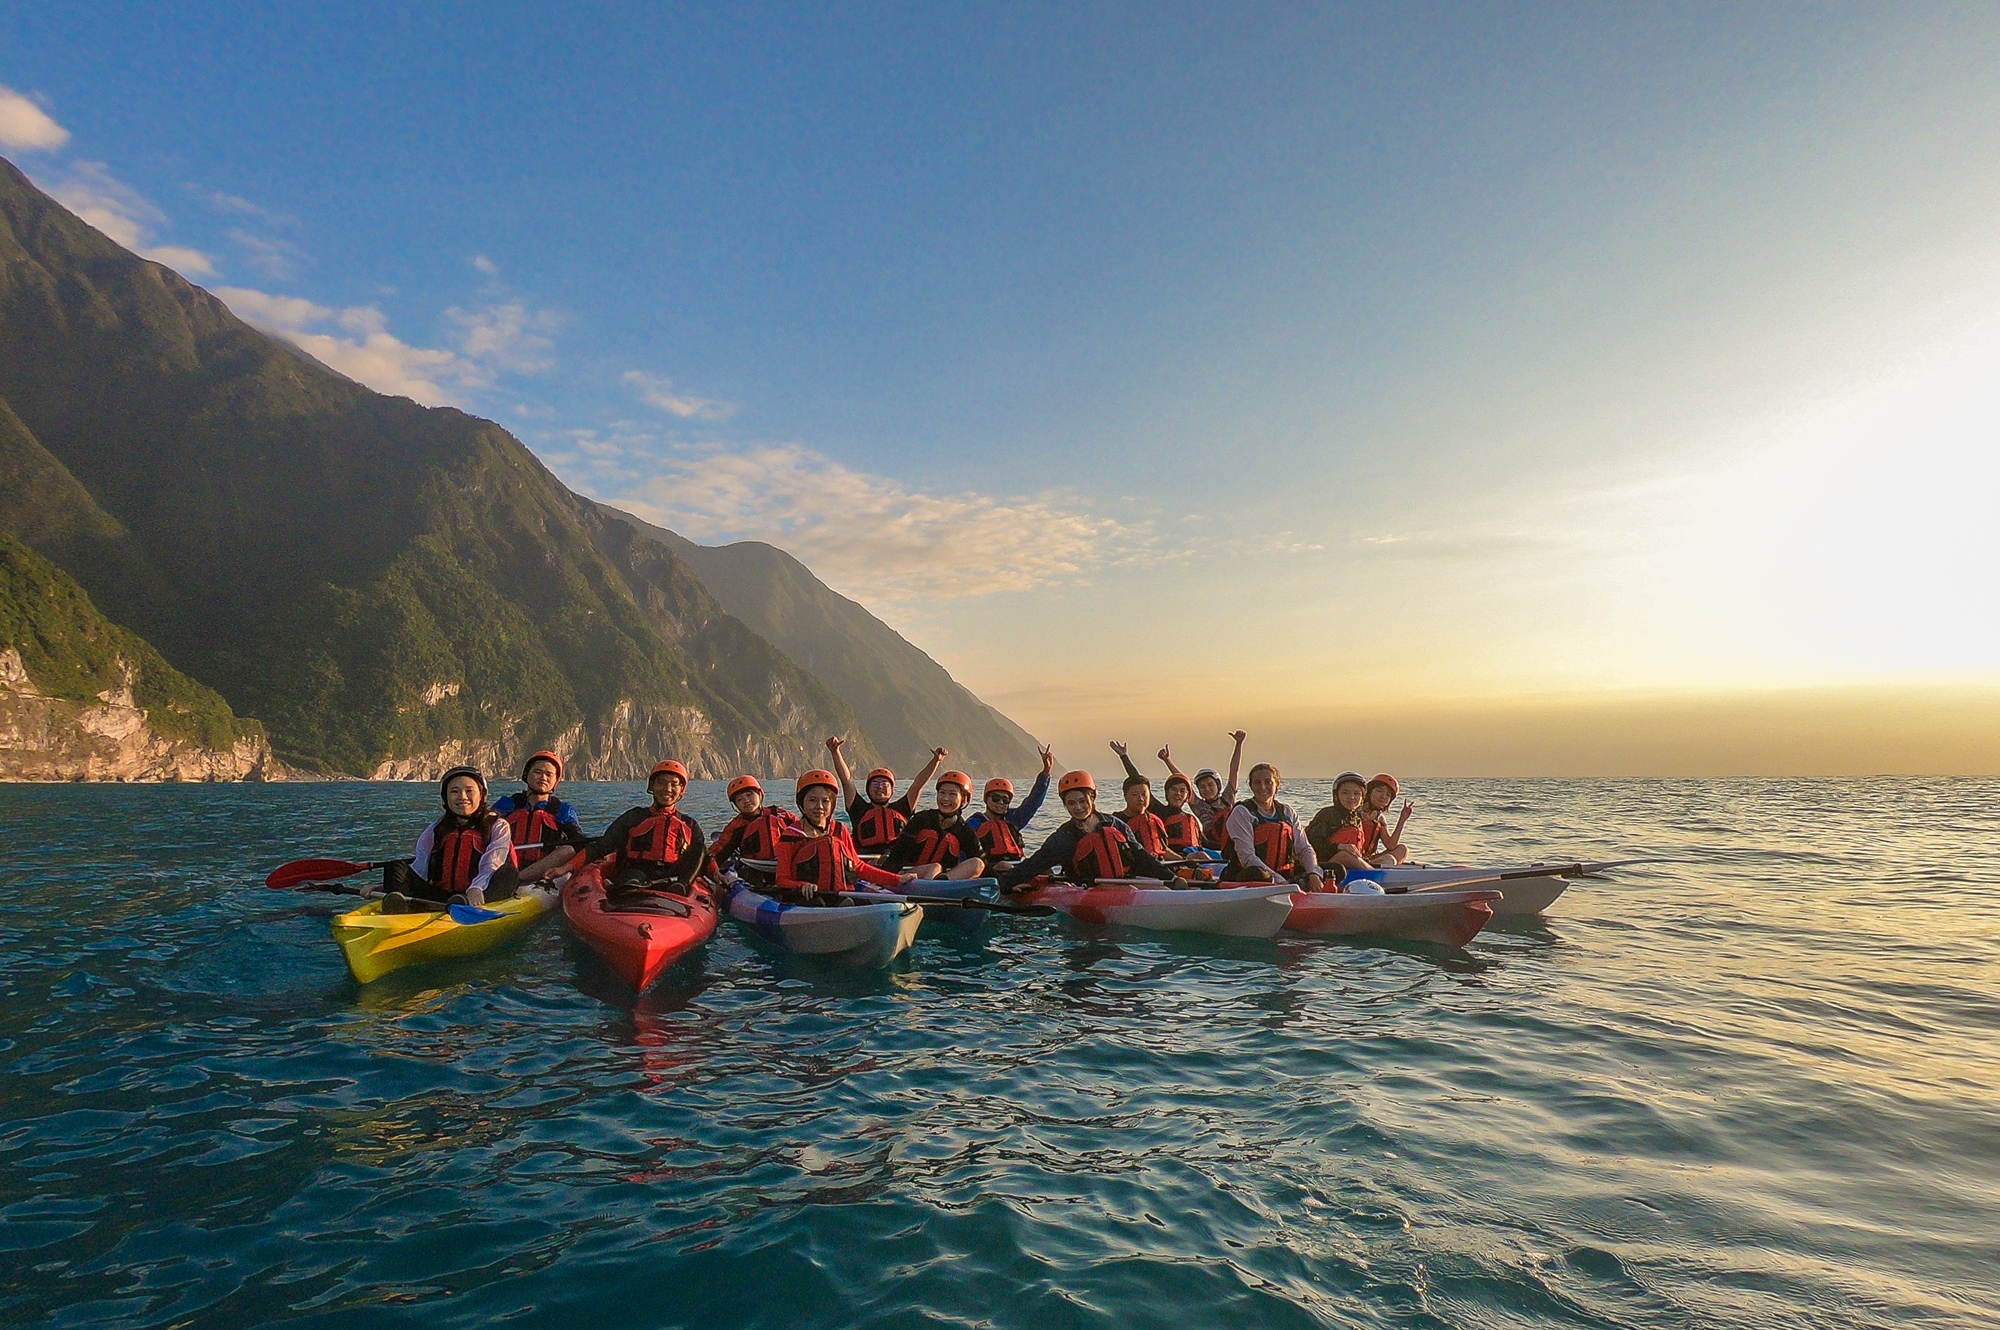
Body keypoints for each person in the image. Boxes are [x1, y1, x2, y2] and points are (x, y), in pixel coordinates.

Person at [997, 770, 1178, 891]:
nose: (1078, 808)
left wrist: (1172, 879)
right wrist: (1002, 886)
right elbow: (1033, 865)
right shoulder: (1064, 837)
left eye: (1082, 801)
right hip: (1088, 891)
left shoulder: (1115, 824)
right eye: (1071, 803)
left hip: (1125, 883)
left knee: (1161, 889)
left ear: (1093, 797)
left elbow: (1142, 857)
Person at [379, 766, 519, 912]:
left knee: (509, 872)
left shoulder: (498, 826)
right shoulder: (436, 829)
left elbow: (493, 862)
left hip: (480, 894)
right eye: (454, 791)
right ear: (446, 797)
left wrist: (476, 887)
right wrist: (393, 886)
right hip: (441, 896)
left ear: (482, 795)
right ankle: (398, 907)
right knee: (394, 866)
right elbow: (419, 868)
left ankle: (466, 905)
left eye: (469, 791)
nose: (462, 797)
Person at [775, 769, 919, 901]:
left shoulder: (839, 830)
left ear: (832, 804)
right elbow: (782, 880)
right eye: (812, 800)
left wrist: (897, 879)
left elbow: (859, 867)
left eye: (825, 801)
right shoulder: (791, 836)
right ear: (802, 803)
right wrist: (801, 885)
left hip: (841, 894)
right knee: (817, 901)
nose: (819, 806)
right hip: (807, 898)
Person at [588, 760, 706, 897]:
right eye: (661, 782)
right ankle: (625, 889)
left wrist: (716, 875)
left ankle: (682, 886)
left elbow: (703, 857)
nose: (667, 789)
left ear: (681, 791)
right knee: (631, 880)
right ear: (652, 786)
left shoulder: (689, 824)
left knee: (700, 848)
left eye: (674, 784)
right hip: (637, 871)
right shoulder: (634, 817)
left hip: (673, 876)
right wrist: (564, 868)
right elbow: (601, 846)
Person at [1111, 730, 1246, 848]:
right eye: (1202, 786)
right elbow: (1139, 783)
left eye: (1210, 785)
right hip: (1177, 858)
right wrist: (1124, 757)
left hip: (1223, 845)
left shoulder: (1228, 799)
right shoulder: (1196, 807)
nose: (1207, 789)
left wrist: (1238, 744)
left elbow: (1234, 771)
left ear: (1218, 785)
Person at [824, 735, 948, 856]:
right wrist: (835, 752)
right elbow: (846, 780)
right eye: (875, 784)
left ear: (892, 789)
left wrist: (936, 761)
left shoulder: (902, 808)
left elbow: (918, 784)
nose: (880, 787)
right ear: (868, 789)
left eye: (884, 784)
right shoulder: (858, 808)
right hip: (865, 860)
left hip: (895, 863)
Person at [1220, 763, 1328, 891]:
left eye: (1268, 782)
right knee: (1258, 873)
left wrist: (1313, 873)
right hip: (1254, 876)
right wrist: (1279, 882)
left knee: (1334, 870)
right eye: (1257, 783)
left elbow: (1304, 848)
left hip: (1285, 876)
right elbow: (1247, 857)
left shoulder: (1287, 812)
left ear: (1277, 785)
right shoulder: (1242, 812)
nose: (1262, 787)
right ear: (1251, 786)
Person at [491, 750, 589, 883]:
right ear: (526, 775)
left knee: (568, 850)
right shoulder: (509, 803)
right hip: (506, 863)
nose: (543, 777)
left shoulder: (562, 810)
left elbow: (579, 841)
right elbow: (484, 825)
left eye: (549, 774)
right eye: (538, 772)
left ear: (555, 781)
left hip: (543, 869)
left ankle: (517, 879)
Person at [882, 770, 987, 880]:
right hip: (910, 876)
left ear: (963, 799)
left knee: (977, 864)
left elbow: (982, 862)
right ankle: (932, 888)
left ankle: (940, 884)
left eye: (952, 794)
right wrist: (883, 878)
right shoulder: (921, 819)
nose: (945, 798)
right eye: (942, 793)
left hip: (943, 881)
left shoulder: (964, 830)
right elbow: (898, 854)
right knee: (934, 867)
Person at [965, 744, 1056, 866]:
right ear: (986, 799)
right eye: (996, 798)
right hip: (990, 869)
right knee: (1004, 866)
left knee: (1045, 868)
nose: (1000, 803)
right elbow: (964, 852)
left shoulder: (1013, 819)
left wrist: (1045, 773)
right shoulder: (974, 823)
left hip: (1016, 868)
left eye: (1005, 799)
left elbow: (1033, 802)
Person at [705, 775, 803, 879]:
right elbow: (716, 852)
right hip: (755, 870)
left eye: (749, 795)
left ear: (760, 795)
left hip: (787, 866)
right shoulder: (736, 826)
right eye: (740, 799)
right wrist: (714, 870)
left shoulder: (781, 815)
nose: (746, 801)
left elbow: (805, 833)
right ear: (736, 805)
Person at [1304, 772, 1381, 886]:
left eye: (1356, 793)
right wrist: (1339, 847)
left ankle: (1375, 873)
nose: (1351, 797)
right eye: (1345, 793)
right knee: (1344, 855)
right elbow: (1313, 844)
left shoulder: (1357, 818)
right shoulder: (1327, 814)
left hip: (1348, 868)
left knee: (1390, 856)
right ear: (1336, 795)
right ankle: (1378, 878)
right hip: (1323, 867)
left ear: (1362, 797)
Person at [1362, 774, 1415, 865]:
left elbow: (1390, 845)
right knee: (1389, 860)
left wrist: (1402, 819)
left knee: (1402, 850)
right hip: (1353, 856)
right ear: (1369, 792)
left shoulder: (1380, 818)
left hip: (1368, 859)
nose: (1383, 796)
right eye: (1379, 791)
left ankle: (1371, 864)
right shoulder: (1356, 811)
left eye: (1388, 795)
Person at [1114, 773, 1172, 857]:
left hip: (1158, 865)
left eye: (1144, 794)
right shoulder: (1116, 822)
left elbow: (1164, 849)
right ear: (1125, 796)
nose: (1140, 799)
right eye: (1135, 795)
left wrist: (1186, 859)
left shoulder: (1154, 820)